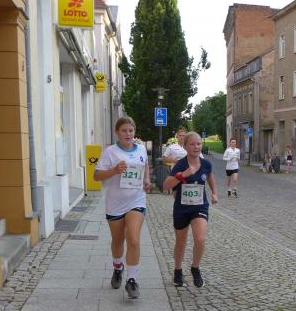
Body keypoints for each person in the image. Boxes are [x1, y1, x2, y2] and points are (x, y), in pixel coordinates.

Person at [93, 117, 151, 298]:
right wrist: (114, 170)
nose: (128, 134)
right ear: (117, 132)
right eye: (124, 130)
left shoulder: (141, 149)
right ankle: (118, 268)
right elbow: (96, 176)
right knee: (118, 241)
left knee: (133, 239)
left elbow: (145, 165)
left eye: (131, 130)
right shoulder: (110, 152)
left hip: (136, 200)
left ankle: (132, 280)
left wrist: (146, 180)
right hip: (116, 203)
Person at [162, 132, 218, 288]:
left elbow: (210, 177)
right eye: (192, 144)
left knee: (200, 239)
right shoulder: (180, 165)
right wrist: (182, 175)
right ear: (185, 146)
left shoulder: (206, 164)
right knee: (181, 242)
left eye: (198, 144)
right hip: (182, 208)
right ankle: (178, 270)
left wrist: (214, 193)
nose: (196, 147)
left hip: (200, 206)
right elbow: (165, 186)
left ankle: (195, 268)